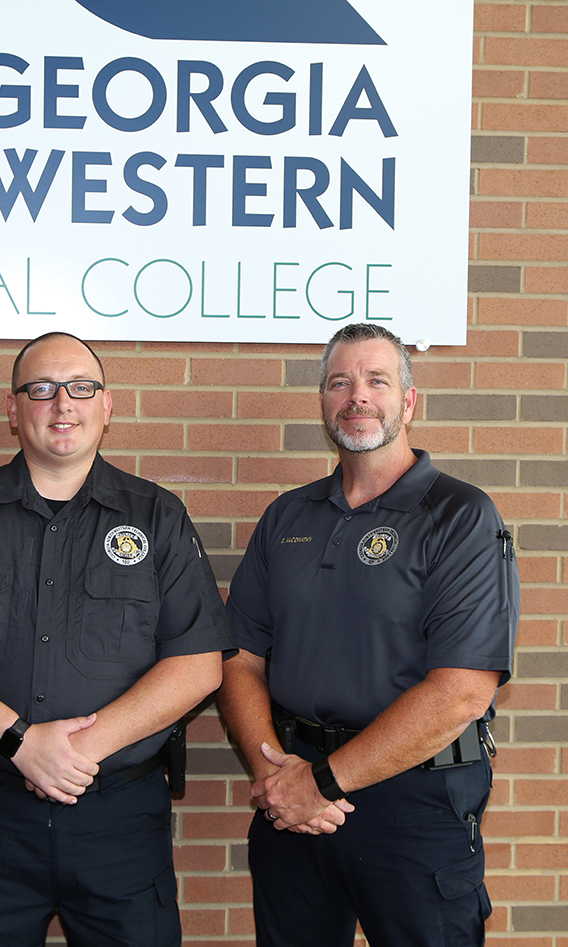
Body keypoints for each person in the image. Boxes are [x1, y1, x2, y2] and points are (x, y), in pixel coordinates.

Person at [0, 332, 235, 947]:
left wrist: (74, 755)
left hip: (119, 823)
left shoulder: (157, 517)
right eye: (41, 390)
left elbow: (199, 663)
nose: (62, 405)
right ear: (13, 411)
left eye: (80, 388)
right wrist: (19, 742)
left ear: (108, 407)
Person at [217, 323, 519, 947]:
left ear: (408, 401)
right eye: (340, 382)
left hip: (414, 801)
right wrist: (277, 771)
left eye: (377, 380)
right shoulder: (287, 517)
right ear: (324, 403)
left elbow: (461, 691)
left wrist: (321, 784)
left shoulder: (460, 516)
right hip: (295, 796)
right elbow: (239, 658)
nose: (358, 396)